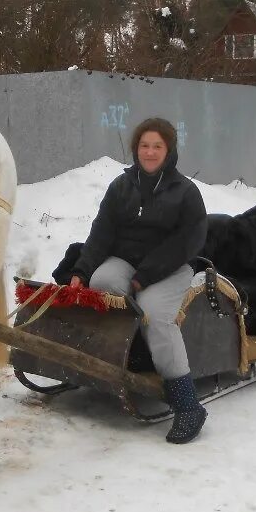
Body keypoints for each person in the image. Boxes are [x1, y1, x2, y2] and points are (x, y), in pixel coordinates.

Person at [68, 117, 208, 443]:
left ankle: (188, 404)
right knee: (102, 285)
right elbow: (101, 233)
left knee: (154, 314)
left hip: (170, 268)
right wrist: (81, 272)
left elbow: (187, 242)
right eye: (144, 145)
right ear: (135, 149)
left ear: (169, 150)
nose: (149, 152)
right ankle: (132, 354)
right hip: (127, 263)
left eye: (157, 146)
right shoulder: (121, 186)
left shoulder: (186, 192)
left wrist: (145, 277)